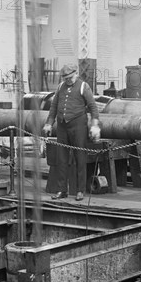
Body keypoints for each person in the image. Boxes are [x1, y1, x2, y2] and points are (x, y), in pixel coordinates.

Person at [43, 64, 101, 201]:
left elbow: (93, 108)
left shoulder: (83, 86)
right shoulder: (60, 87)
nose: (68, 80)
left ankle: (80, 190)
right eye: (65, 78)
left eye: (70, 77)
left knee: (80, 158)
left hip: (78, 125)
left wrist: (94, 125)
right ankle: (61, 190)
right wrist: (49, 124)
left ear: (76, 74)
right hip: (62, 127)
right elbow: (53, 107)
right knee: (61, 159)